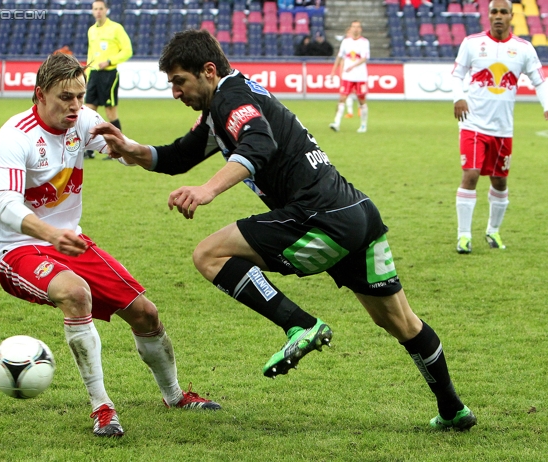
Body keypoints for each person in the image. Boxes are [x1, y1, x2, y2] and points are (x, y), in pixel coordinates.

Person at [92, 29, 477, 431]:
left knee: (209, 254)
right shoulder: (224, 106)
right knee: (401, 322)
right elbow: (180, 156)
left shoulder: (231, 99)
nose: (175, 92)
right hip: (357, 212)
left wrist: (208, 190)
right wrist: (132, 150)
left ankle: (300, 324)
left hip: (319, 214)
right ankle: (453, 409)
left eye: (179, 82)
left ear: (208, 71)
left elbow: (258, 144)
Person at [0, 53, 221, 438]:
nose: (75, 106)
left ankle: (175, 396)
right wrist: (49, 235)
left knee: (145, 313)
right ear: (39, 94)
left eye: (80, 96)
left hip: (70, 242)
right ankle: (102, 408)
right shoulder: (15, 136)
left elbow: (125, 153)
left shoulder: (85, 121)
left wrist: (126, 148)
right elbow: (6, 205)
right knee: (76, 293)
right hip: (18, 247)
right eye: (65, 97)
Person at [451, 0, 548, 254]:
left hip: (503, 128)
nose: (498, 16)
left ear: (511, 16)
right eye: (493, 11)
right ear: (488, 15)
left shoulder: (523, 48)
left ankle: (493, 230)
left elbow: (540, 81)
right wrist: (458, 97)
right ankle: (464, 236)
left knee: (500, 181)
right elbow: (456, 75)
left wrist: (547, 105)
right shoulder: (472, 43)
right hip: (473, 124)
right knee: (470, 174)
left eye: (503, 12)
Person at [85, 0, 132, 160]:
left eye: (100, 9)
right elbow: (91, 54)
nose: (98, 11)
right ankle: (89, 149)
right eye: (95, 9)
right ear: (92, 11)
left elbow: (128, 50)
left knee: (110, 112)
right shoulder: (91, 30)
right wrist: (87, 72)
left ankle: (119, 148)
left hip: (109, 75)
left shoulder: (116, 28)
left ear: (106, 10)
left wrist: (110, 61)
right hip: (95, 75)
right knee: (88, 112)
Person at [329, 20, 370, 133]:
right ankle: (336, 123)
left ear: (360, 29)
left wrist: (353, 66)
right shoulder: (346, 42)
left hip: (360, 76)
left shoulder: (364, 42)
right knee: (342, 98)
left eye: (358, 27)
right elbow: (339, 57)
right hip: (348, 76)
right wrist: (333, 71)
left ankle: (363, 125)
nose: (355, 29)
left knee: (361, 100)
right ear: (351, 29)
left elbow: (364, 58)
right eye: (353, 27)